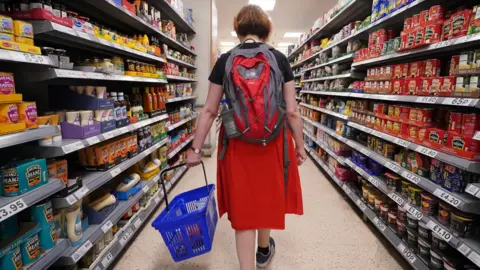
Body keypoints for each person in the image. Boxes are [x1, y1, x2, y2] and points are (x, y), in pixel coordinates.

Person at [186, 4, 305, 270]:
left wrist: (195, 149)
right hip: (274, 142)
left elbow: (209, 110)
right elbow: (293, 112)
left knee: (245, 209)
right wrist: (300, 146)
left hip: (237, 143)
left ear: (238, 30)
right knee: (267, 196)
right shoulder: (279, 59)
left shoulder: (225, 61)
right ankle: (264, 251)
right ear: (266, 29)